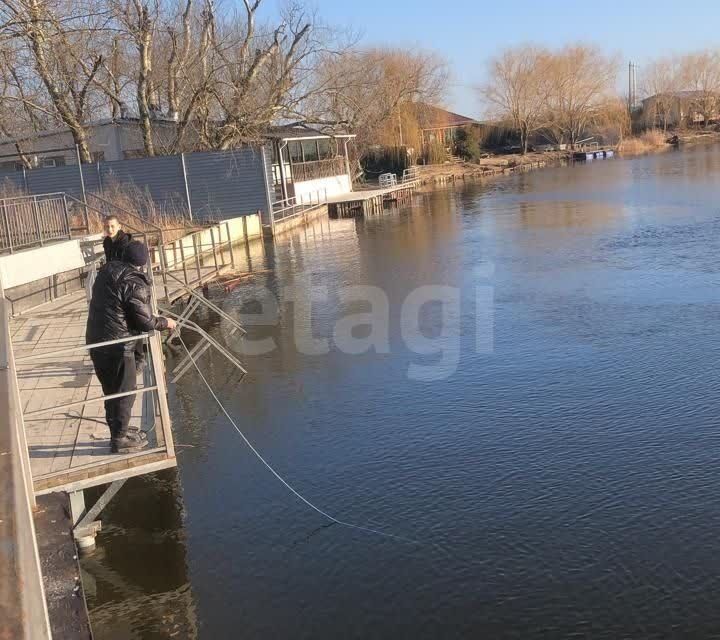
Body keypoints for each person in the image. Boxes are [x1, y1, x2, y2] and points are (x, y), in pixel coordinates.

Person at [86, 240, 176, 453]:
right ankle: (119, 440)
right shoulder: (134, 282)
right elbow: (144, 322)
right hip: (118, 346)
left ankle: (120, 430)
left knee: (111, 391)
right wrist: (165, 322)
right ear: (143, 262)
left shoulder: (106, 271)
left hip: (97, 341)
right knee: (125, 392)